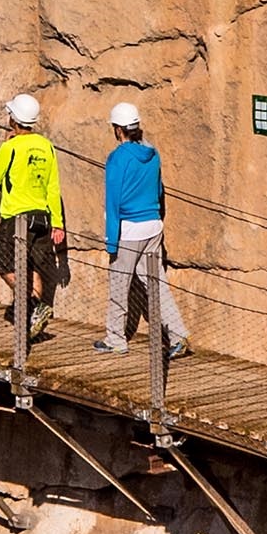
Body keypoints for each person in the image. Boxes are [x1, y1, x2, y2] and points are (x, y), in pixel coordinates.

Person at [97, 102, 190, 358]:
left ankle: (115, 339)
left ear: (118, 129)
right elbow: (159, 191)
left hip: (128, 230)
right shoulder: (153, 152)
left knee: (119, 285)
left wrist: (111, 241)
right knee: (156, 284)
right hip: (153, 227)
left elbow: (113, 201)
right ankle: (177, 336)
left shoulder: (117, 158)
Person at [0, 93, 66, 338]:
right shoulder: (46, 146)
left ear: (14, 120)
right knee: (33, 268)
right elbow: (54, 187)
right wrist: (58, 223)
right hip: (42, 217)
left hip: (16, 218)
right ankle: (33, 323)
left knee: (5, 266)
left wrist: (4, 145)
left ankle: (34, 305)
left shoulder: (10, 146)